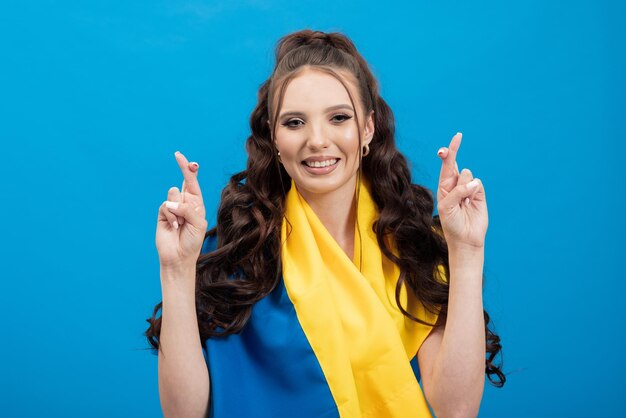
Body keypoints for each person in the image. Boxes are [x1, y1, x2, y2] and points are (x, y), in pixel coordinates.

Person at [146, 29, 505, 418]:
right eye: (295, 122)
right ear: (273, 136)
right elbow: (182, 413)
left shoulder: (414, 244)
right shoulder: (236, 254)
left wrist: (467, 250)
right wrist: (177, 269)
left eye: (338, 118)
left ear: (366, 128)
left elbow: (457, 409)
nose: (317, 140)